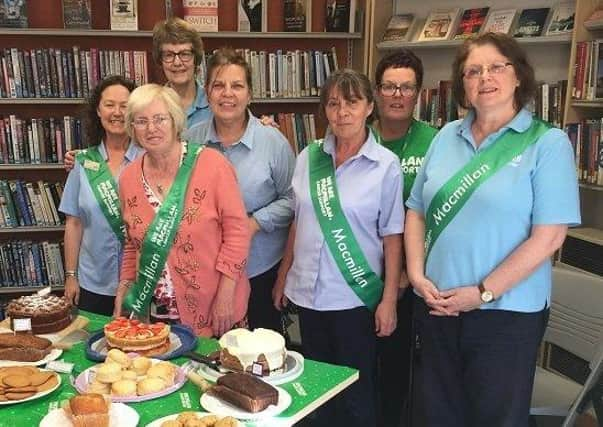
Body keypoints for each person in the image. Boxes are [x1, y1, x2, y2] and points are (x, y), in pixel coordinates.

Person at [405, 32, 581, 427]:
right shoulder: (446, 136)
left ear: (518, 75)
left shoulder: (547, 144)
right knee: (435, 416)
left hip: (505, 315)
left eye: (496, 67)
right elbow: (416, 210)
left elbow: (549, 237)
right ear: (463, 85)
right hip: (437, 305)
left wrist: (482, 292)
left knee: (494, 419)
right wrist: (416, 275)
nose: (484, 77)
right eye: (472, 71)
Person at [273, 69, 404, 427]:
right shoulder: (308, 157)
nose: (342, 112)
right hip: (308, 295)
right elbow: (299, 221)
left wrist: (389, 300)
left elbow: (393, 236)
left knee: (355, 394)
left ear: (368, 107)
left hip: (354, 300)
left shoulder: (386, 166)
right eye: (333, 104)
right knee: (315, 391)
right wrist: (283, 275)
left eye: (352, 102)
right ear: (325, 110)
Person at [113, 84, 251, 338]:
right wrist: (125, 288)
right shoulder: (127, 178)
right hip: (154, 313)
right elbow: (132, 244)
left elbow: (238, 233)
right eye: (141, 121)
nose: (151, 128)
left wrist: (226, 295)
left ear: (176, 121)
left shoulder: (213, 165)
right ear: (132, 128)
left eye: (160, 119)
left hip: (214, 308)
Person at [187, 48, 295, 333]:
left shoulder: (273, 141)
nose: (227, 94)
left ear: (249, 94)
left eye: (237, 86)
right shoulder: (190, 141)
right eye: (218, 85)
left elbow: (293, 200)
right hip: (205, 271)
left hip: (260, 269)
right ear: (207, 93)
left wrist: (254, 223)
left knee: (259, 361)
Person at [371, 49, 438, 427]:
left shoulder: (436, 142)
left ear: (418, 94)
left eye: (406, 88)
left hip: (411, 278)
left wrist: (405, 277)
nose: (397, 95)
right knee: (359, 363)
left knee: (398, 368)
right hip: (358, 272)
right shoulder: (355, 136)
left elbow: (436, 217)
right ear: (377, 92)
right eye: (389, 87)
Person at [59, 75, 142, 316]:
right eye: (109, 105)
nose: (117, 112)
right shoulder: (82, 162)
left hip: (140, 281)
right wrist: (71, 276)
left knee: (139, 349)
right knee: (93, 348)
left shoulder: (149, 160)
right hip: (92, 281)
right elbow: (73, 223)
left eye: (124, 106)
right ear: (98, 110)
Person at [152, 17, 210, 129]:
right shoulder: (151, 105)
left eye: (185, 54)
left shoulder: (215, 104)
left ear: (196, 59)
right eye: (169, 55)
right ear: (160, 60)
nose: (177, 62)